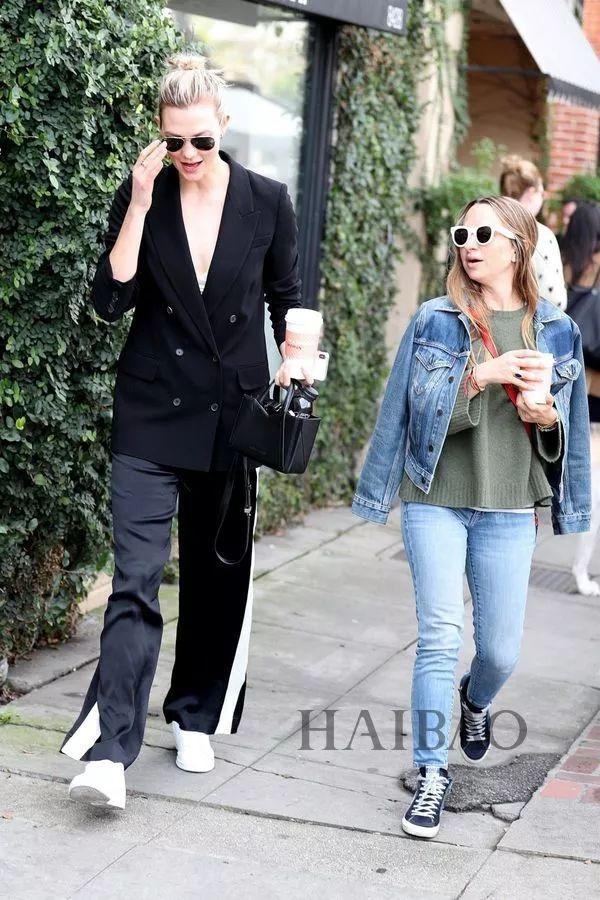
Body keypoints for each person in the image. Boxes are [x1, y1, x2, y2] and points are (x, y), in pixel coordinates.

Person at [61, 53, 305, 809]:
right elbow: (110, 301)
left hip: (231, 415)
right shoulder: (147, 195)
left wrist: (296, 359)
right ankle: (111, 752)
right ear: (160, 137)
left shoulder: (267, 200)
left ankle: (194, 713)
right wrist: (137, 205)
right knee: (134, 581)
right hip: (149, 412)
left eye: (201, 140)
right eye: (174, 142)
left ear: (223, 125)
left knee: (214, 575)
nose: (189, 155)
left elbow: (287, 297)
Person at [353, 196, 591, 839]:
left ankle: (476, 699)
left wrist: (547, 418)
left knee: (501, 652)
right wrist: (481, 375)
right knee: (439, 636)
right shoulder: (435, 319)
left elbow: (564, 436)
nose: (470, 244)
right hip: (436, 498)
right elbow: (405, 410)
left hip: (510, 508)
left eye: (484, 234)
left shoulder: (557, 331)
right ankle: (432, 774)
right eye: (462, 234)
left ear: (519, 244)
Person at [563, 202, 600, 596]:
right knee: (592, 493)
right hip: (592, 402)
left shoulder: (560, 263)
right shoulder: (593, 269)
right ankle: (580, 570)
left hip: (561, 391)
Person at [500, 155, 567, 310]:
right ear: (531, 192)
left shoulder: (488, 227)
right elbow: (555, 299)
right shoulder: (541, 234)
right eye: (541, 193)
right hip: (530, 320)